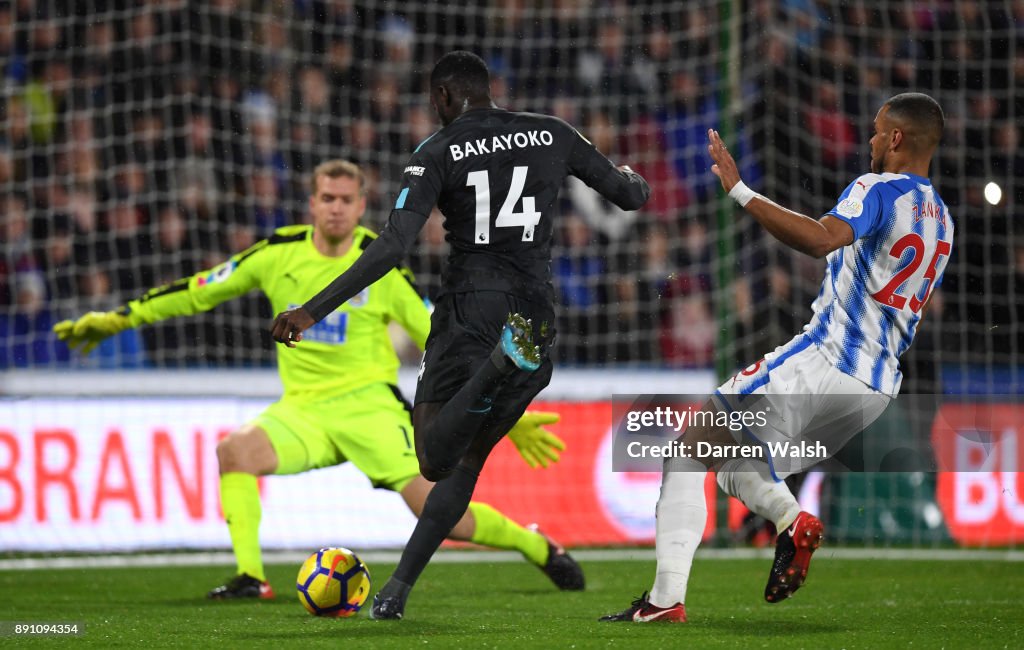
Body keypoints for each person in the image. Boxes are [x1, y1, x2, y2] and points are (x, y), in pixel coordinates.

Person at [54, 159, 581, 599]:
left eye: (345, 199)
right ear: (312, 203)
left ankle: (535, 545)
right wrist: (121, 318)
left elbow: (444, 343)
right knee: (234, 452)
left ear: (359, 206)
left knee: (438, 512)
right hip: (302, 411)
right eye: (326, 196)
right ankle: (251, 578)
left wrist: (510, 416)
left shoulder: (380, 266)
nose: (335, 206)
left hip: (371, 409)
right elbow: (198, 290)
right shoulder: (276, 254)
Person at [270, 51, 650, 619]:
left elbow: (393, 245)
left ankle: (497, 365)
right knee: (468, 460)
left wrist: (311, 310)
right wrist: (636, 181)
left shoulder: (436, 152)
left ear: (444, 97)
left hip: (470, 310)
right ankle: (396, 590)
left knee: (432, 458)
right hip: (536, 315)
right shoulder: (552, 133)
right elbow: (629, 196)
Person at [601, 92, 952, 623]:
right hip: (874, 392)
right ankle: (783, 525)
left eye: (879, 131)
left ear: (898, 138)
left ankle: (672, 596)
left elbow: (819, 240)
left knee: (686, 448)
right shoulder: (943, 220)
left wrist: (740, 191)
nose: (872, 139)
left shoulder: (877, 189)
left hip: (823, 361)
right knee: (728, 464)